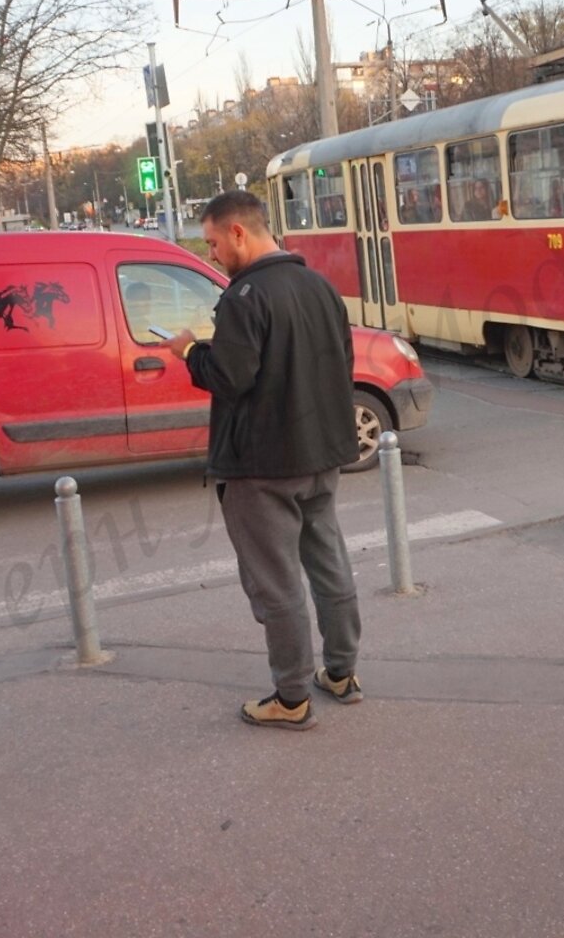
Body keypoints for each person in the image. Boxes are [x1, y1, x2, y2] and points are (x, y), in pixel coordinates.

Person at [168, 190, 362, 731]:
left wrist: (188, 351)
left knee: (276, 585)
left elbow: (229, 378)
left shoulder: (243, 298)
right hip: (321, 455)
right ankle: (342, 673)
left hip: (262, 465)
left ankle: (292, 697)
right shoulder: (320, 287)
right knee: (329, 564)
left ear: (238, 233)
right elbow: (340, 366)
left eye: (211, 242)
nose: (209, 254)